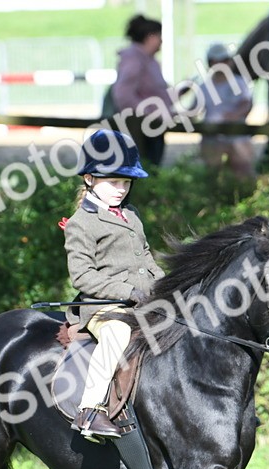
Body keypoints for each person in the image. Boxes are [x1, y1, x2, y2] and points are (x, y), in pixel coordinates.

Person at [63, 130, 164, 441]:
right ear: (90, 179)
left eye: (127, 183)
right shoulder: (82, 223)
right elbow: (82, 276)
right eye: (114, 182)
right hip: (101, 307)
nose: (122, 189)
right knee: (118, 333)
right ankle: (90, 411)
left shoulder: (130, 216)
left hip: (141, 301)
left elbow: (146, 258)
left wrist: (167, 286)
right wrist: (127, 292)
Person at [111, 15, 171, 167]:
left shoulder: (148, 60)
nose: (161, 41)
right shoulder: (135, 59)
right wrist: (149, 112)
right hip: (139, 128)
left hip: (150, 125)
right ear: (149, 37)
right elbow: (123, 94)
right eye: (159, 36)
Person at [196, 43, 256, 181]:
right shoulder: (204, 86)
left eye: (225, 60)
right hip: (212, 137)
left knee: (244, 173)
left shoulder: (240, 82)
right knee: (213, 175)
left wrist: (235, 116)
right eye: (218, 61)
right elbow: (195, 109)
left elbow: (247, 103)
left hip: (237, 136)